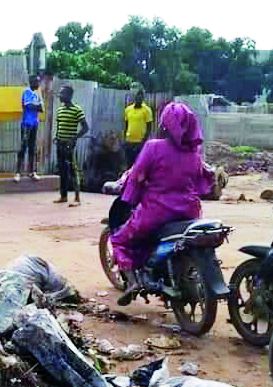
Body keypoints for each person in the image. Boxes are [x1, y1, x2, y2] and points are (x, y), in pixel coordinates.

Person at [110, 102, 215, 303]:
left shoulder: (153, 147)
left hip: (156, 213)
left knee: (119, 239)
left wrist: (129, 198)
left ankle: (133, 282)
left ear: (165, 125)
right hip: (189, 212)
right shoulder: (194, 154)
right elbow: (203, 184)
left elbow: (136, 176)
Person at [54, 85, 89, 206]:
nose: (60, 96)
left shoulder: (77, 110)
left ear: (69, 95)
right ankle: (63, 196)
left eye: (62, 94)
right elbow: (59, 126)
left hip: (69, 146)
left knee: (73, 170)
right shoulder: (60, 110)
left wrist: (73, 139)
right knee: (62, 170)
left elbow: (85, 128)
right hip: (60, 143)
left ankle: (77, 198)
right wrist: (56, 137)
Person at [14, 75, 43, 183]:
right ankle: (18, 173)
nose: (38, 84)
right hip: (26, 124)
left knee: (32, 148)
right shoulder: (27, 91)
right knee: (23, 147)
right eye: (37, 81)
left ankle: (32, 172)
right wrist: (36, 106)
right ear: (31, 82)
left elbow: (41, 108)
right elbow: (27, 106)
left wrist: (35, 106)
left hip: (35, 123)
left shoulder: (37, 93)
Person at [123, 88, 153, 168]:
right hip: (129, 141)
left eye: (141, 96)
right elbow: (126, 125)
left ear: (143, 98)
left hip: (140, 142)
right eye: (137, 95)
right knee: (129, 165)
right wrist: (124, 139)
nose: (139, 97)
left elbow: (149, 127)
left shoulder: (147, 110)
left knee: (139, 165)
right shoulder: (128, 109)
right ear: (135, 97)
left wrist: (143, 142)